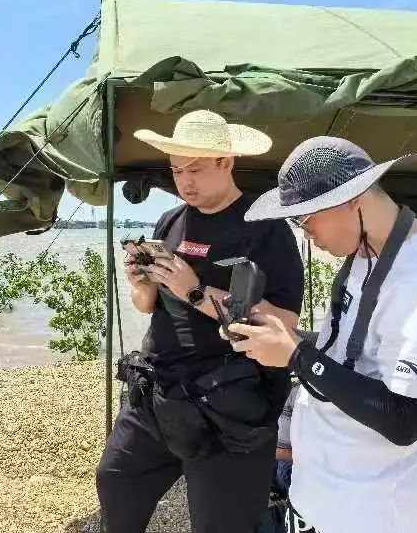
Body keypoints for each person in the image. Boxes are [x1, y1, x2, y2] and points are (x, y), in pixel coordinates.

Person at [226, 136, 417, 533]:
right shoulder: (364, 258)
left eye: (306, 218)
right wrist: (284, 337)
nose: (306, 233)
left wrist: (297, 356)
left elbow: (404, 419)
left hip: (378, 514)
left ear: (352, 199)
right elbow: (353, 358)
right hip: (320, 498)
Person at [95, 110, 304, 533]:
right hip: (157, 391)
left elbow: (284, 322)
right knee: (115, 479)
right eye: (175, 170)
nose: (183, 181)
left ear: (226, 162)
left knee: (221, 524)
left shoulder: (265, 228)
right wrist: (142, 281)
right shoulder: (170, 221)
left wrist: (196, 292)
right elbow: (146, 305)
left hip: (229, 405)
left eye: (195, 169)